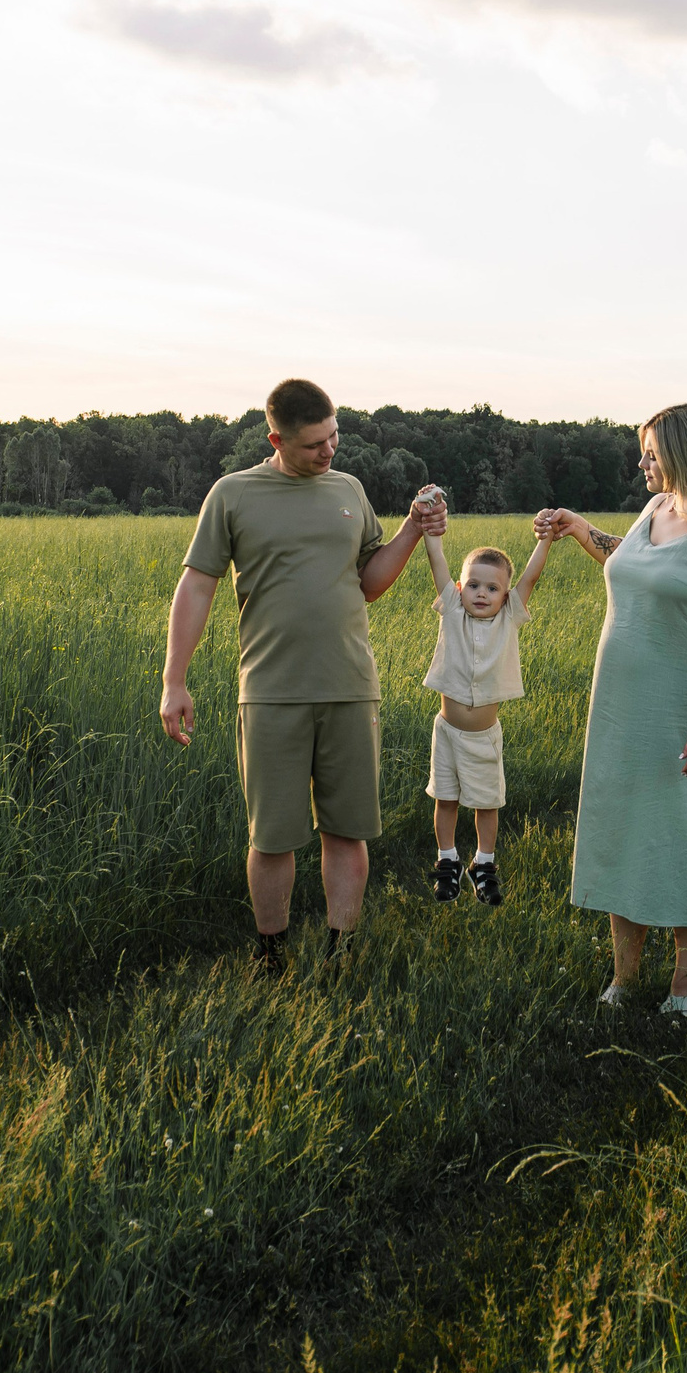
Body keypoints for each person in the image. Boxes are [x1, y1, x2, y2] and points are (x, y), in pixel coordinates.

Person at [161, 378, 449, 975]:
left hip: (350, 686)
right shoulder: (233, 494)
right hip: (270, 692)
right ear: (276, 439)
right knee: (272, 838)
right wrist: (174, 680)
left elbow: (370, 582)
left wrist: (412, 530)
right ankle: (271, 956)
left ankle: (341, 954)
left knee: (347, 832)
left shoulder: (348, 489)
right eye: (315, 442)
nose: (330, 450)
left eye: (335, 435)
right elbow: (196, 584)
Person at [536, 404, 687, 1015]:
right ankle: (623, 980)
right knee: (627, 829)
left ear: (683, 453)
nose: (640, 463)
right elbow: (635, 564)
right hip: (624, 710)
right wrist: (574, 527)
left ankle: (684, 989)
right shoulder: (655, 510)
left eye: (650, 453)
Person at [417, 501, 554, 906]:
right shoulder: (452, 612)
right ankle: (447, 862)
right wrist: (430, 531)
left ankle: (484, 864)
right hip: (446, 731)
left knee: (487, 803)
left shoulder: (509, 618)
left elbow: (531, 576)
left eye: (493, 588)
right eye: (474, 585)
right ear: (460, 589)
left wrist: (544, 539)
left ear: (506, 595)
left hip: (484, 738)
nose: (482, 593)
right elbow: (436, 559)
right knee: (446, 797)